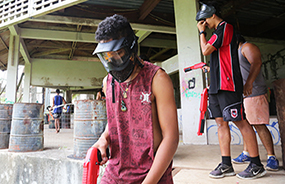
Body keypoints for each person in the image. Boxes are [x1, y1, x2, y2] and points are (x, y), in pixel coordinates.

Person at [92, 14, 179, 183]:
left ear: (131, 48)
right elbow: (115, 120)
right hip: (115, 172)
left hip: (152, 174)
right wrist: (104, 138)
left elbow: (171, 138)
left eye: (117, 54)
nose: (112, 62)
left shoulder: (157, 79)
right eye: (106, 56)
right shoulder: (108, 82)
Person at [196, 2, 266, 179]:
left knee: (241, 121)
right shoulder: (216, 34)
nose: (204, 23)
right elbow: (216, 56)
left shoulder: (225, 28)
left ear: (212, 15)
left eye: (204, 20)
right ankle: (226, 164)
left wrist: (201, 32)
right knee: (220, 123)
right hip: (216, 85)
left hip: (228, 84)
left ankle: (256, 164)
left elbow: (205, 50)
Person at [231, 34, 279, 171]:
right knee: (246, 125)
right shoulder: (236, 54)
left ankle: (271, 157)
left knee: (259, 125)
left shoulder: (246, 47)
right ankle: (246, 153)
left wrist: (249, 83)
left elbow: (256, 63)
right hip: (244, 95)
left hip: (255, 92)